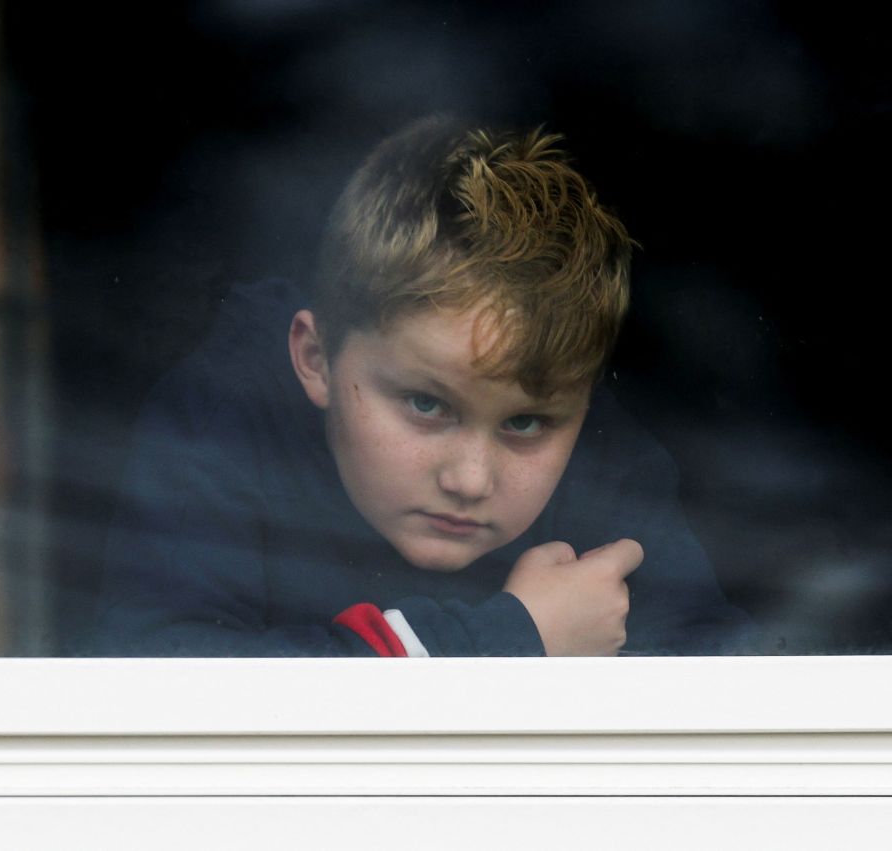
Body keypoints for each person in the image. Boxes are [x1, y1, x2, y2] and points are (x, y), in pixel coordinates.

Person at [92, 115, 753, 657]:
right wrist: (508, 642)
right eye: (427, 403)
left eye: (524, 424)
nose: (470, 480)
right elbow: (152, 679)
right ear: (316, 358)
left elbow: (728, 692)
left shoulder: (600, 454)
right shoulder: (228, 417)